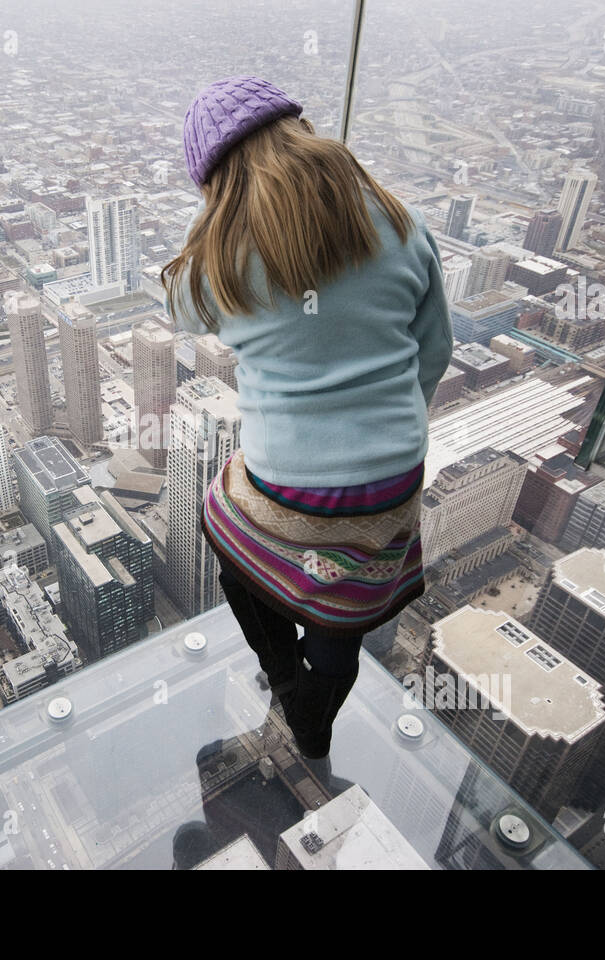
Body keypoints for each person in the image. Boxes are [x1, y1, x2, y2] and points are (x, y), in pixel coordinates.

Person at [163, 76, 452, 765]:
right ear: (302, 130)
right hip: (394, 479)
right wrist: (385, 431)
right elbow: (435, 352)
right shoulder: (401, 224)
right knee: (340, 612)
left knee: (219, 525)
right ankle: (315, 705)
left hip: (292, 483)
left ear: (217, 180)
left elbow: (182, 313)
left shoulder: (217, 264)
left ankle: (283, 669)